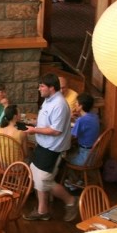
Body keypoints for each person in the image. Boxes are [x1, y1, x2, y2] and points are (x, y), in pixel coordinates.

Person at [23, 73, 78, 222]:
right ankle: (43, 211)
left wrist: (34, 130)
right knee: (36, 174)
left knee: (44, 181)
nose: (38, 89)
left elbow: (56, 130)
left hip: (53, 148)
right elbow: (47, 124)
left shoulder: (59, 104)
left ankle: (71, 201)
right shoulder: (48, 100)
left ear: (51, 88)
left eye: (41, 86)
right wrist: (35, 126)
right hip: (43, 145)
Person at [64, 93, 101, 188]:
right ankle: (79, 179)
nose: (75, 104)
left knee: (63, 158)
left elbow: (72, 135)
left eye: (76, 103)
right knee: (72, 150)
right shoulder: (94, 116)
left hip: (86, 157)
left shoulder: (82, 120)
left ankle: (74, 181)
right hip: (95, 154)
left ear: (81, 106)